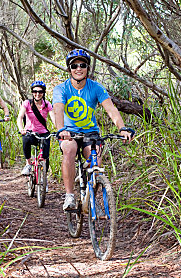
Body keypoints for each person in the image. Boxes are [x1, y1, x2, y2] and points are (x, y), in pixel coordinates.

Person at [52, 49, 134, 211]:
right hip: (69, 133)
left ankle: (91, 197)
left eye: (82, 65)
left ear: (87, 68)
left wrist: (122, 128)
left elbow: (111, 109)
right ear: (69, 69)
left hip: (91, 133)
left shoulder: (96, 88)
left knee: (96, 161)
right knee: (69, 149)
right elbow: (58, 110)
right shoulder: (61, 89)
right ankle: (69, 196)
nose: (78, 68)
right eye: (74, 65)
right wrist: (61, 129)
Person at [17, 81, 55, 177]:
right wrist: (22, 129)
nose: (37, 94)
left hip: (43, 133)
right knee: (26, 139)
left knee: (45, 156)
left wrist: (60, 129)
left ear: (44, 92)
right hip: (30, 132)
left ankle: (44, 178)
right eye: (35, 91)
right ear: (32, 92)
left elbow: (54, 118)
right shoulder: (27, 103)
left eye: (40, 91)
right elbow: (20, 117)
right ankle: (28, 164)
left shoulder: (47, 104)